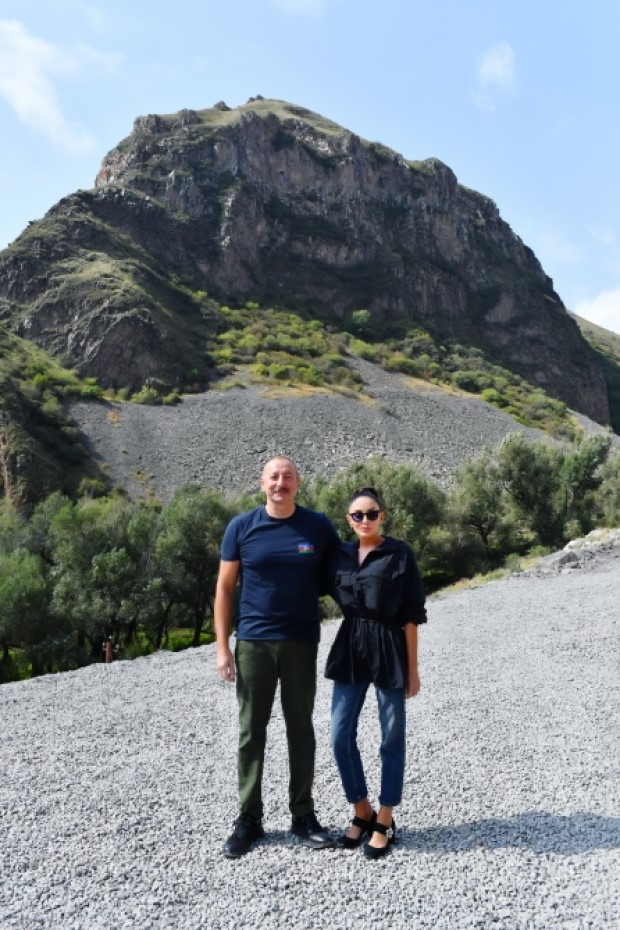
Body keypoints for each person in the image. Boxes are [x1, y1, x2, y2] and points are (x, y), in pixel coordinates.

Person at [215, 455, 340, 858]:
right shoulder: (241, 527)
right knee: (251, 731)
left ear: (297, 484)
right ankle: (249, 818)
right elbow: (224, 589)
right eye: (274, 477)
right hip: (254, 641)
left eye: (287, 477)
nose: (280, 483)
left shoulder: (317, 526)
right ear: (262, 483)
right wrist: (222, 647)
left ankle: (303, 815)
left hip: (301, 640)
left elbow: (343, 572)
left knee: (301, 728)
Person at [325, 486, 426, 859]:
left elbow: (412, 614)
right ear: (349, 520)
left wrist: (413, 670)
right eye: (358, 515)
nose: (365, 519)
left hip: (389, 644)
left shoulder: (399, 553)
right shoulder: (339, 556)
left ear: (382, 516)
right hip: (351, 644)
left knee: (391, 736)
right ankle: (361, 810)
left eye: (371, 513)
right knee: (339, 735)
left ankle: (385, 818)